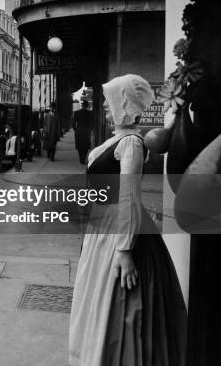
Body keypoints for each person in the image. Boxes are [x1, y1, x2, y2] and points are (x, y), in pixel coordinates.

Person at [69, 74, 186, 366]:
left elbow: (128, 199)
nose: (106, 108)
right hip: (100, 232)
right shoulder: (115, 141)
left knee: (122, 310)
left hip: (120, 235)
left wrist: (123, 251)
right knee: (97, 302)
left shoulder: (132, 143)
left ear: (125, 103)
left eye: (110, 102)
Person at [72, 100, 94, 164]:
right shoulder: (89, 113)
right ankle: (83, 158)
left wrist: (76, 130)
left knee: (79, 146)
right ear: (87, 106)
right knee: (86, 146)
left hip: (79, 131)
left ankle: (81, 158)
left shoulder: (77, 112)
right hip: (86, 131)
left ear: (82, 105)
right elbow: (92, 123)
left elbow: (73, 124)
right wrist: (90, 129)